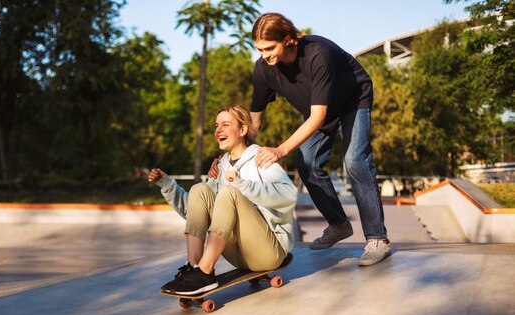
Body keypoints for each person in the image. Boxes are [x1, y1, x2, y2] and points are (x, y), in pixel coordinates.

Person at [210, 12, 390, 266]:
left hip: (353, 99)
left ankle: (377, 239)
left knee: (355, 161)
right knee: (306, 164)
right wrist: (230, 155)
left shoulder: (318, 53)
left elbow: (318, 116)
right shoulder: (264, 69)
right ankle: (338, 225)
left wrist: (280, 150)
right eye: (260, 49)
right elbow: (255, 122)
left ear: (288, 39)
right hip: (319, 109)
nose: (265, 55)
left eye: (270, 48)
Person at [149, 104, 297, 295]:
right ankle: (194, 268)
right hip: (239, 254)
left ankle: (205, 270)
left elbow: (289, 194)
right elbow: (194, 213)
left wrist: (242, 184)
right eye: (216, 125)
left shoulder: (261, 158)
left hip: (269, 252)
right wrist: (167, 184)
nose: (219, 130)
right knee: (200, 189)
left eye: (226, 124)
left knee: (229, 193)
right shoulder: (221, 166)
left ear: (242, 130)